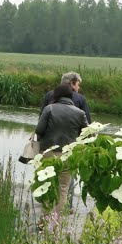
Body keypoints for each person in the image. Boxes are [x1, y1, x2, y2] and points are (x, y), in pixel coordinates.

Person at [35, 83, 88, 211]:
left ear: (56, 95)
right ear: (71, 95)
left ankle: (44, 221)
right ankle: (55, 224)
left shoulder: (49, 109)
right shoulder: (80, 113)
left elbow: (39, 130)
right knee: (63, 188)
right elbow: (87, 133)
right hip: (68, 154)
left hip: (48, 152)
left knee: (47, 185)